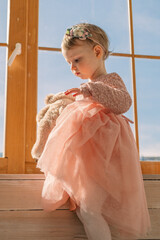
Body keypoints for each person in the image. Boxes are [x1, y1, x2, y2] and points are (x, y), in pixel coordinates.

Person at [37, 23, 151, 240]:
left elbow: (123, 102)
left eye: (77, 60)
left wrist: (88, 91)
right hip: (89, 164)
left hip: (107, 161)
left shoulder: (110, 81)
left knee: (90, 210)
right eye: (69, 63)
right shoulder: (86, 90)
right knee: (86, 211)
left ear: (97, 52)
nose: (73, 67)